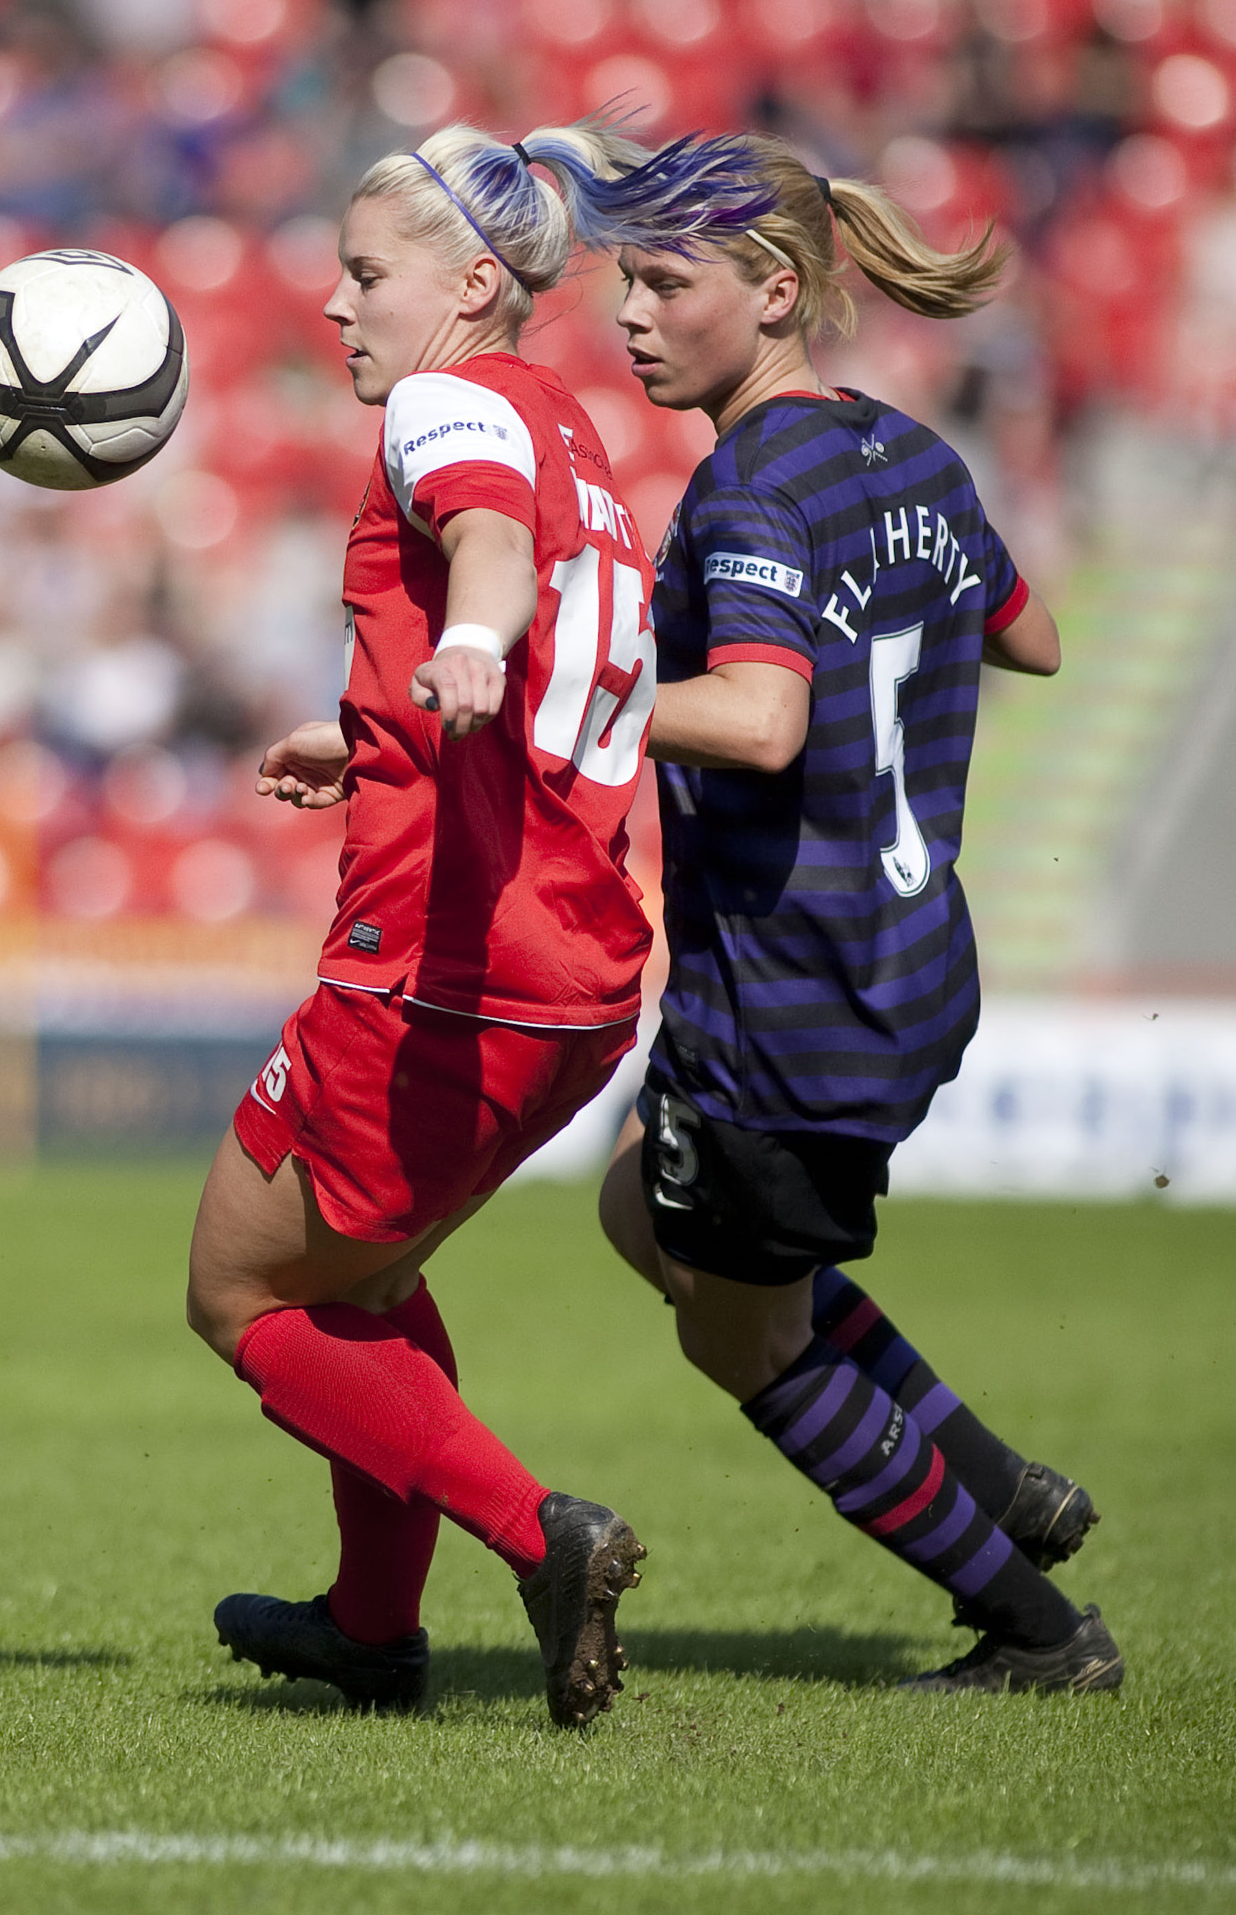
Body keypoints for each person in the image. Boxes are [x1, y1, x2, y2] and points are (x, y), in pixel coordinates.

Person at [185, 121, 768, 1728]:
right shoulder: (565, 422)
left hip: (442, 962)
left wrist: (470, 649)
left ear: (466, 282)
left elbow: (490, 560)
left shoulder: (444, 403)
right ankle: (374, 1630)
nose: (331, 303)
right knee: (363, 1287)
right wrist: (373, 726)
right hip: (575, 969)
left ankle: (537, 1535)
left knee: (244, 1297)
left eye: (361, 272)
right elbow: (523, 576)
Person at [599, 138, 1123, 1695]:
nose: (628, 312)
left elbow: (757, 723)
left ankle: (1032, 1626)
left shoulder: (750, 484)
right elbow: (1027, 636)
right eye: (625, 278)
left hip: (797, 991)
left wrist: (580, 694)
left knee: (734, 1340)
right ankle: (995, 1476)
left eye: (663, 282)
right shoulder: (904, 449)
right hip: (903, 968)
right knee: (643, 1208)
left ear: (773, 293)